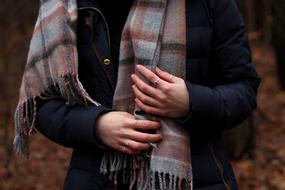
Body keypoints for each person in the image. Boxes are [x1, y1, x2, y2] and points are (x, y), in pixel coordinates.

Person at [14, 0, 260, 189]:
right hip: (96, 178)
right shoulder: (63, 7)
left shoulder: (207, 3)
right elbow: (42, 102)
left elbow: (243, 88)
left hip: (197, 177)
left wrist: (190, 102)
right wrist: (95, 125)